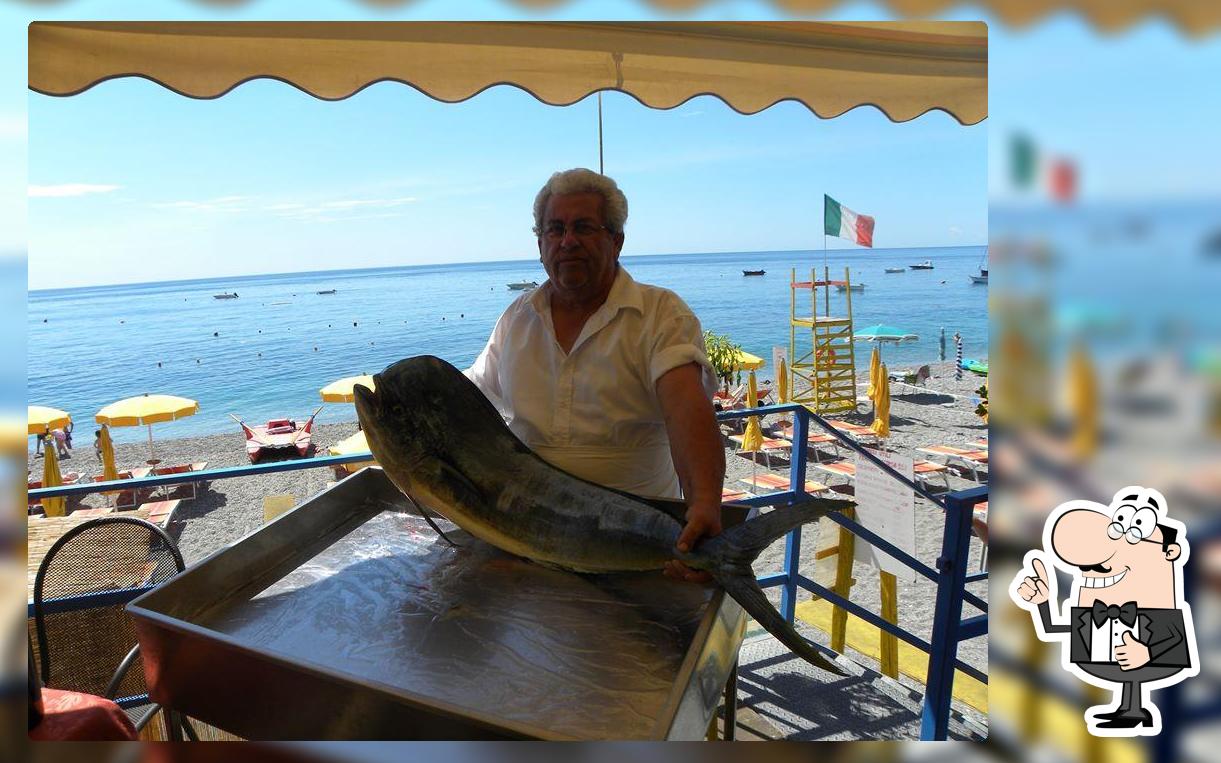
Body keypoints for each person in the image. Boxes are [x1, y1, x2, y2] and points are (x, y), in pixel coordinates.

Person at [465, 168, 725, 582]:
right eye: (555, 229)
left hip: (635, 546)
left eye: (583, 227)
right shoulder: (516, 318)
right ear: (540, 243)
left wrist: (706, 503)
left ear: (616, 240)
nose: (567, 241)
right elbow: (470, 402)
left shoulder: (661, 314)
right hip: (522, 540)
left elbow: (686, 410)